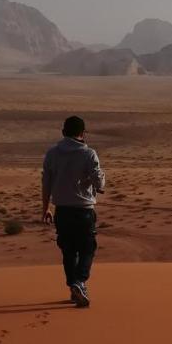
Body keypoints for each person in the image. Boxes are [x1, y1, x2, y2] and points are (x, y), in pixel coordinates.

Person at [41, 115, 105, 307]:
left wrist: (46, 208)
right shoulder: (89, 153)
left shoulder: (52, 153)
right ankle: (80, 282)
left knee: (68, 251)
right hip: (83, 211)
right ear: (82, 133)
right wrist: (100, 179)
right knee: (88, 248)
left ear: (63, 133)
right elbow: (99, 183)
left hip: (62, 211)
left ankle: (74, 287)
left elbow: (46, 183)